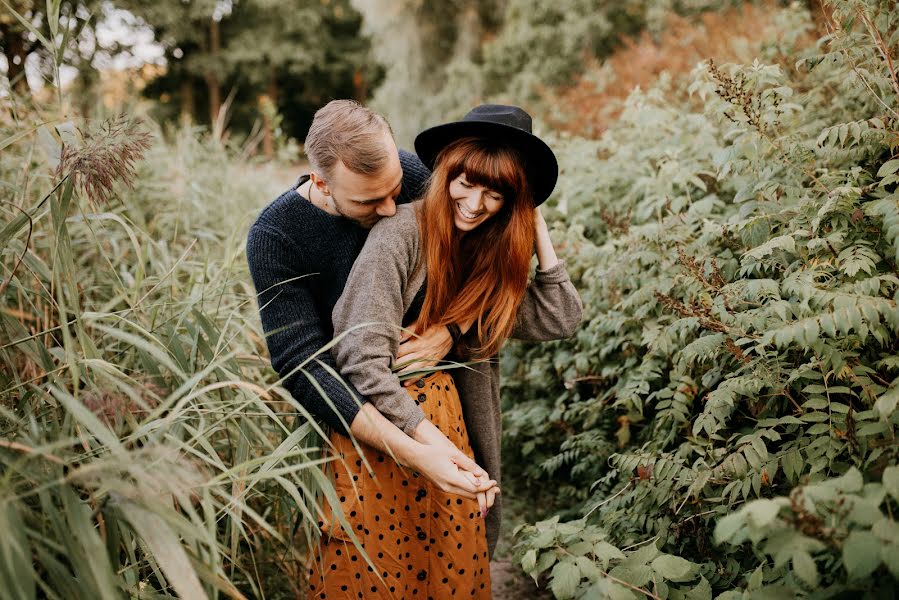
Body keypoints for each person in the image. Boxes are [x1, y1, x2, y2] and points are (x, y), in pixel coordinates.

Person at [308, 104, 583, 599]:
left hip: (454, 439)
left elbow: (561, 315)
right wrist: (429, 446)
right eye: (466, 183)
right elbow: (359, 359)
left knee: (447, 575)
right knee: (378, 576)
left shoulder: (493, 254)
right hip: (389, 438)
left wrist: (535, 223)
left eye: (495, 194)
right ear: (445, 172)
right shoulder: (402, 234)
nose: (475, 204)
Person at [246, 100, 497, 516]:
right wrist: (415, 451)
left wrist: (452, 328)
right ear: (321, 183)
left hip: (437, 396)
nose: (388, 209)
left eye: (394, 191)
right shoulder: (275, 237)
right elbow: (302, 364)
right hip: (357, 420)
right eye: (368, 202)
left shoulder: (414, 175)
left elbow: (487, 249)